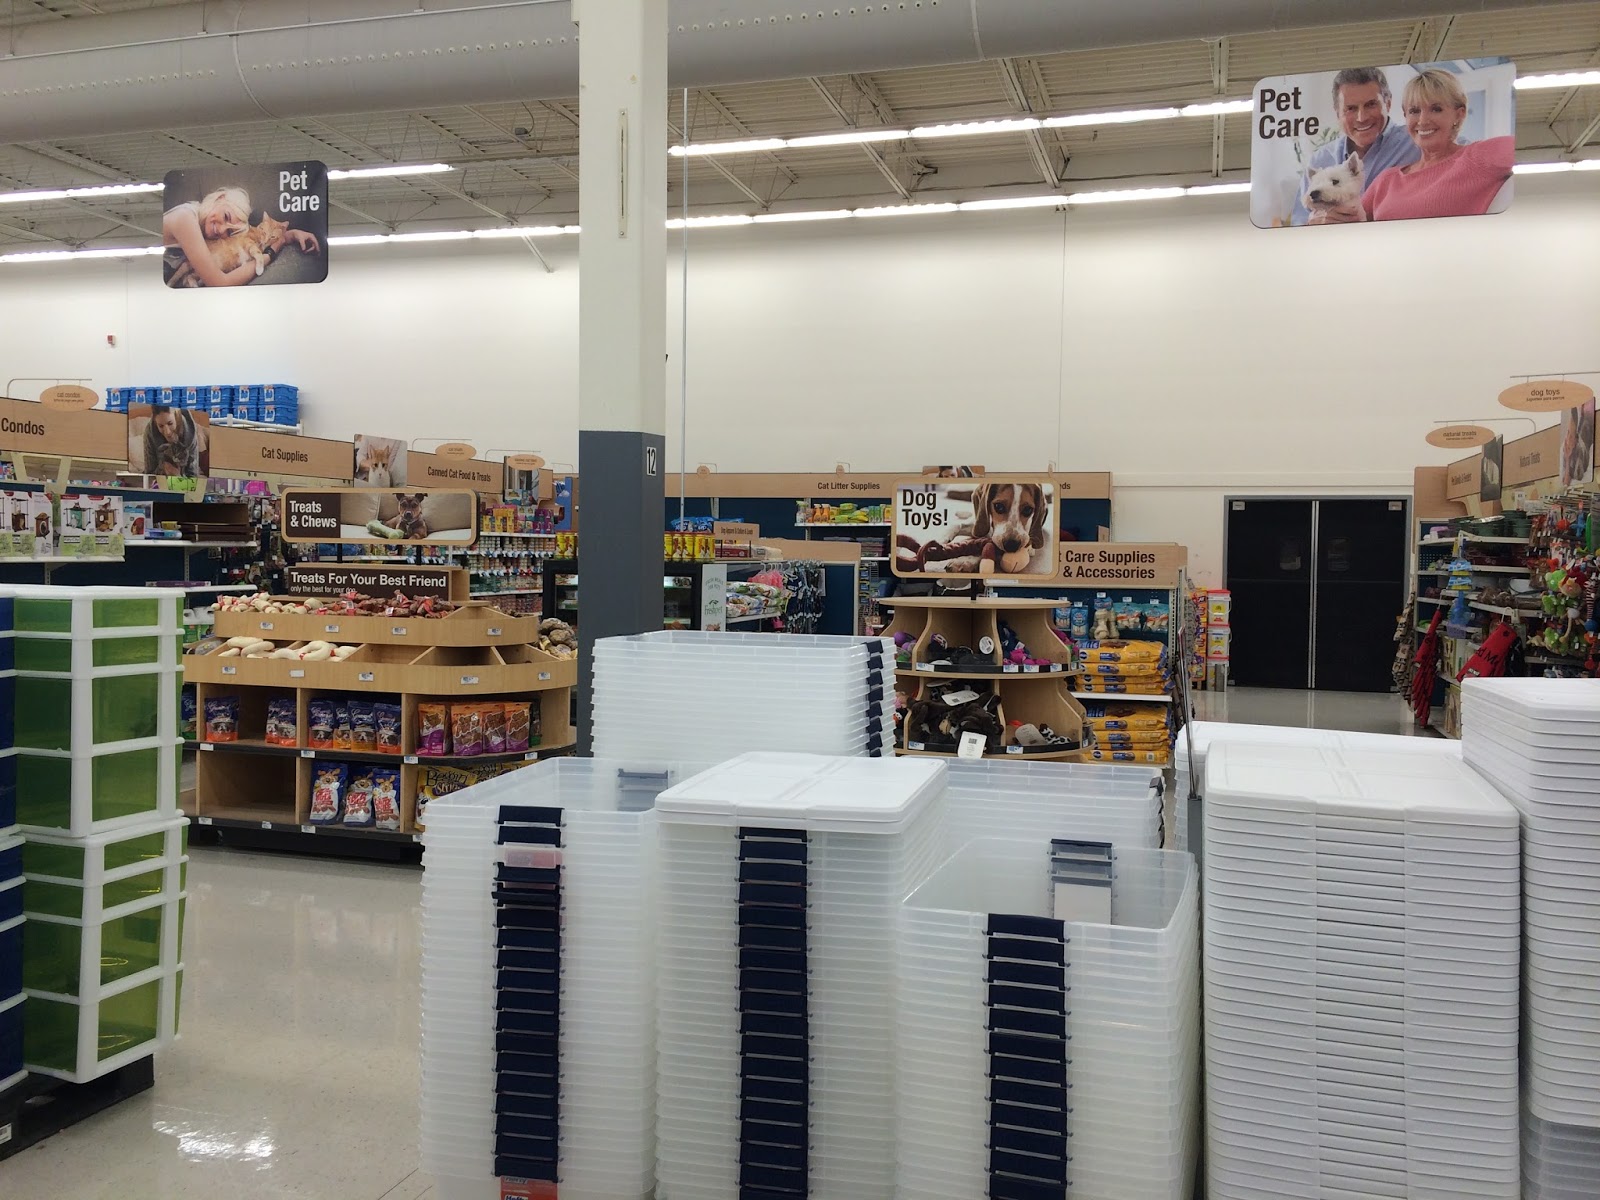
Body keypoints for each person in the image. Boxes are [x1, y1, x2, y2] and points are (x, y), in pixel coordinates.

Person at [1363, 68, 1514, 221]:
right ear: (1405, 116)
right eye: (1414, 111)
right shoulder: (1387, 180)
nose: (1422, 121)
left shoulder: (1476, 157)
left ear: (1459, 114)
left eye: (1436, 109)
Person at [1292, 66, 1420, 225]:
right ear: (1337, 113)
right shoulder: (1320, 160)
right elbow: (1297, 223)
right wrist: (1313, 224)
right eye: (1351, 108)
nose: (1361, 118)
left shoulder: (1417, 144)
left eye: (1371, 104)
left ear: (1388, 103)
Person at [162, 185, 320, 287]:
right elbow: (220, 283)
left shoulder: (202, 225)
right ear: (220, 198)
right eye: (226, 216)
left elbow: (254, 238)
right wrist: (271, 252)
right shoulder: (185, 218)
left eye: (229, 232)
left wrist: (288, 235)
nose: (221, 230)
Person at [143, 405, 204, 476]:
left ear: (177, 418)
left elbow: (193, 474)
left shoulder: (190, 431)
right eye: (161, 426)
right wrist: (162, 468)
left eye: (170, 423)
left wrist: (178, 476)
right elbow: (149, 473)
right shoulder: (149, 433)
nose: (167, 432)